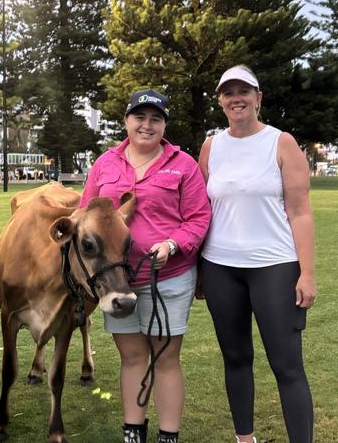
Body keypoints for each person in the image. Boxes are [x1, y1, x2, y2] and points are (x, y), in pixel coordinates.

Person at [80, 90, 211, 443]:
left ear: (164, 124)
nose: (147, 125)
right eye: (140, 117)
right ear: (127, 121)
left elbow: (199, 218)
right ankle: (133, 433)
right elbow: (85, 214)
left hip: (168, 277)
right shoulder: (105, 164)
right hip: (117, 280)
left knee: (165, 358)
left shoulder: (183, 165)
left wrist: (172, 244)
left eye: (155, 118)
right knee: (133, 357)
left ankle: (169, 436)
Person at [198, 65, 316, 443]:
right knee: (235, 359)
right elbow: (202, 210)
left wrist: (307, 273)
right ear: (220, 101)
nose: (237, 98)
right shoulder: (211, 146)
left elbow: (300, 212)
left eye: (244, 91)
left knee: (286, 366)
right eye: (228, 92)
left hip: (275, 267)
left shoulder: (281, 143)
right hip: (220, 268)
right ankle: (244, 439)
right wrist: (199, 269)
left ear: (258, 97)